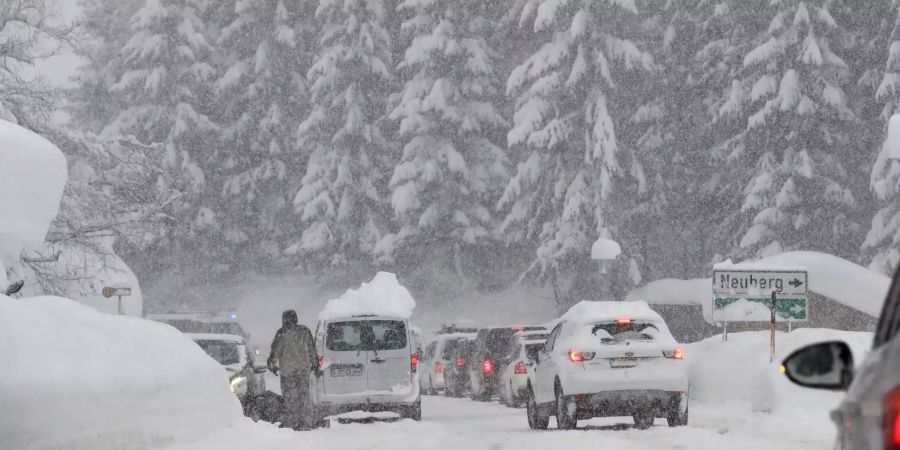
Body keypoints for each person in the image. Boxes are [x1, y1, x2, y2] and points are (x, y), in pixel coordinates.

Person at [268, 310, 317, 430]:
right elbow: (312, 350)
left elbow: (275, 352)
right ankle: (306, 423)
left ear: (284, 319)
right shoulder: (305, 331)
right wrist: (315, 365)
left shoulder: (282, 333)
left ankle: (292, 423)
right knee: (304, 397)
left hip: (288, 372)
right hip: (303, 370)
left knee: (290, 399)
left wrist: (272, 366)